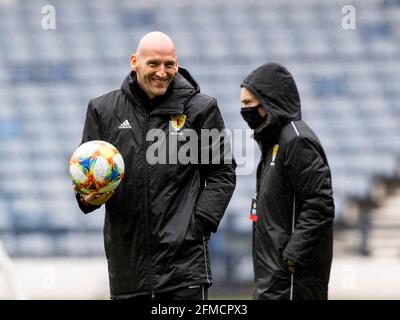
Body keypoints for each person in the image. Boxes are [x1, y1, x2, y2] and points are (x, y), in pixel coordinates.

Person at [74, 31, 236, 300]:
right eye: (154, 64)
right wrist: (88, 198)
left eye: (169, 64)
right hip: (128, 271)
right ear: (134, 61)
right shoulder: (102, 110)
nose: (162, 72)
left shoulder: (200, 109)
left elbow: (222, 172)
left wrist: (197, 225)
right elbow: (86, 178)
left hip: (184, 271)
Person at [240, 62, 334, 300]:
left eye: (249, 104)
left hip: (291, 284)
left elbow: (320, 205)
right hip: (274, 280)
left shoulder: (296, 141)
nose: (245, 111)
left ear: (269, 101)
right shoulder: (274, 142)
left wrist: (290, 258)